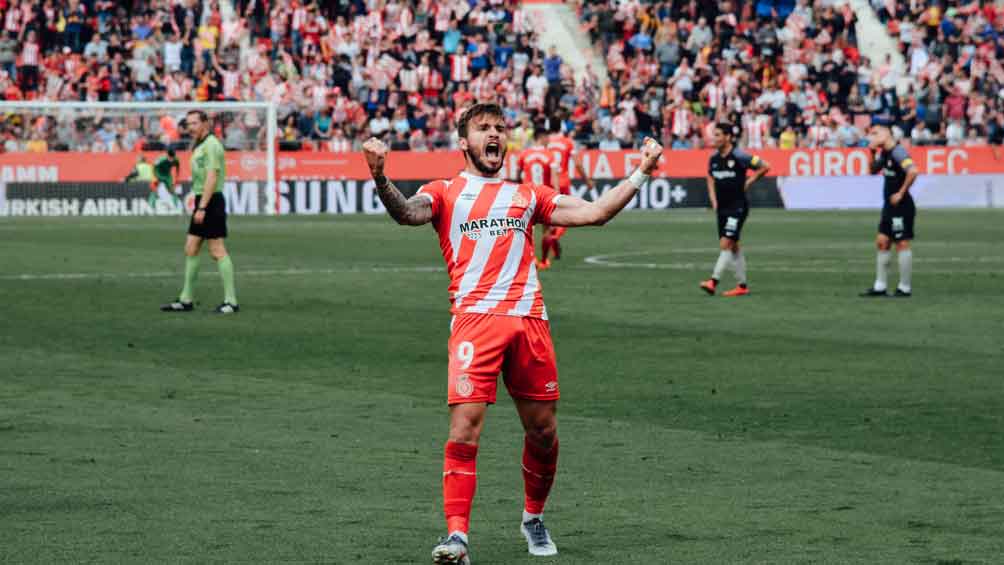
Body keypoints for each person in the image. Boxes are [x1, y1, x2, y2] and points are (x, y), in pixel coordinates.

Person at [361, 102, 663, 565]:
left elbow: (597, 212)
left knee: (543, 432)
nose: (494, 134)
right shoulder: (444, 192)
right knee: (464, 431)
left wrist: (642, 171)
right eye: (483, 128)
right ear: (463, 142)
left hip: (529, 322)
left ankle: (533, 516)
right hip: (474, 323)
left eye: (500, 127)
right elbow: (406, 213)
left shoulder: (529, 195)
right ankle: (457, 537)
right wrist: (380, 176)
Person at [161, 110, 239, 314]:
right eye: (188, 124)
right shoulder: (200, 145)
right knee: (191, 247)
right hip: (202, 199)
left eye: (195, 123)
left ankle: (231, 301)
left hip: (211, 201)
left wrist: (202, 207)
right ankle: (186, 299)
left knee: (217, 250)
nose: (191, 128)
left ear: (206, 124)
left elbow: (212, 178)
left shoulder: (212, 145)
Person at [700, 123, 770, 297]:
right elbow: (709, 176)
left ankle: (713, 281)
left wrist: (749, 182)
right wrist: (713, 199)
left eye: (717, 135)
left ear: (728, 137)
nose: (714, 139)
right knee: (734, 246)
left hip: (737, 207)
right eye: (713, 135)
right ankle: (742, 286)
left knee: (725, 244)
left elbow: (765, 166)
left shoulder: (740, 156)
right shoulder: (714, 158)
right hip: (722, 208)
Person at [860, 120, 919, 297]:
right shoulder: (885, 153)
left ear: (887, 133)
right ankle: (880, 286)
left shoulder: (898, 152)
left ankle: (905, 287)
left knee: (901, 243)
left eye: (875, 133)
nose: (872, 137)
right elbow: (871, 171)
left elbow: (913, 171)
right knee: (882, 242)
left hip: (901, 205)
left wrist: (901, 193)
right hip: (889, 206)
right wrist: (870, 152)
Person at [545, 117, 595, 267]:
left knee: (547, 218)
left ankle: (548, 256)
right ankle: (555, 238)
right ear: (561, 126)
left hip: (547, 182)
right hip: (562, 182)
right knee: (565, 217)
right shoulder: (567, 142)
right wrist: (587, 181)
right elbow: (578, 164)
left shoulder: (546, 142)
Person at [516, 123, 560, 270]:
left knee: (527, 229)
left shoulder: (524, 154)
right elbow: (554, 178)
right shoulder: (550, 155)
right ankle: (544, 260)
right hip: (544, 195)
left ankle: (531, 259)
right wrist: (557, 195)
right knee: (547, 230)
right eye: (547, 137)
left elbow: (517, 175)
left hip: (527, 195)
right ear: (541, 137)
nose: (549, 140)